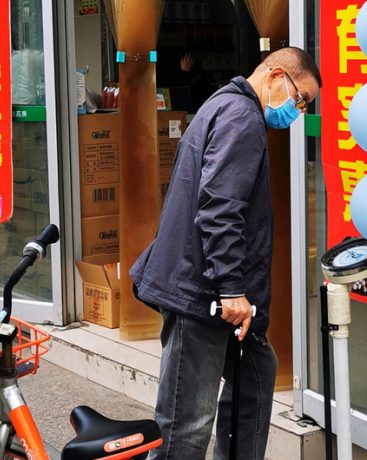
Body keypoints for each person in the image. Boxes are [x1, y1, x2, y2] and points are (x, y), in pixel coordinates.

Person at [130, 47, 321, 460]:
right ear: (274, 77)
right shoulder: (241, 117)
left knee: (256, 373)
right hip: (203, 293)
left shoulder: (226, 107)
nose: (298, 110)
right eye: (300, 98)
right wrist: (231, 287)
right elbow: (220, 208)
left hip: (216, 291)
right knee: (186, 423)